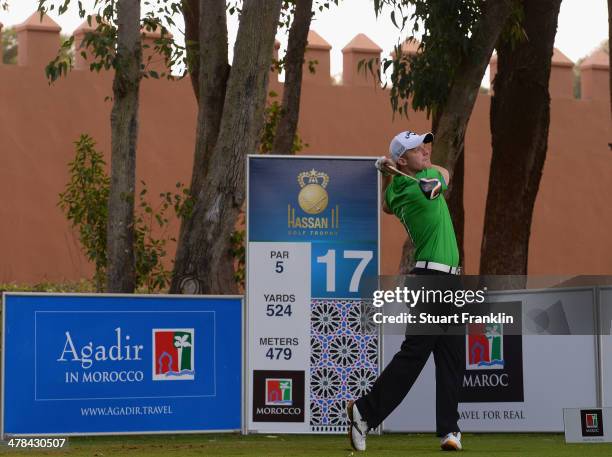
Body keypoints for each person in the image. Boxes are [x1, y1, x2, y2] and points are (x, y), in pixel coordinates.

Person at [347, 130, 464, 452]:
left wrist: (391, 175)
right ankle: (364, 411)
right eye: (416, 150)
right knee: (415, 354)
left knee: (452, 356)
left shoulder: (405, 185)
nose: (425, 152)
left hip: (448, 280)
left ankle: (450, 430)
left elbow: (391, 202)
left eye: (424, 146)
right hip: (431, 280)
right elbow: (441, 177)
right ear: (402, 160)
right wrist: (414, 177)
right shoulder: (414, 189)